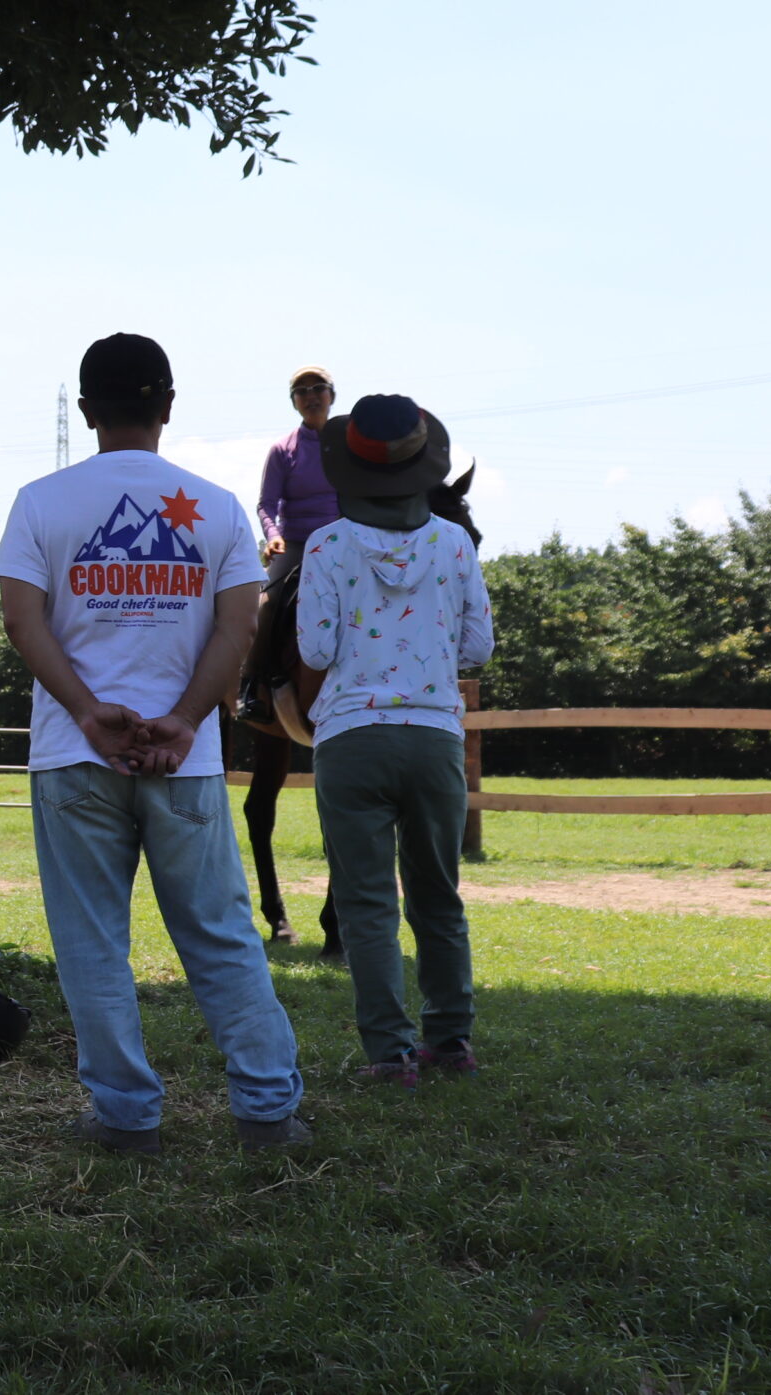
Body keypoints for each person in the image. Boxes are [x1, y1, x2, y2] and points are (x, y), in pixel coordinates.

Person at [0, 333, 309, 1157]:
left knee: (93, 939)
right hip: (188, 762)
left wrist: (92, 714)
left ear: (89, 410)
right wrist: (186, 717)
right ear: (168, 405)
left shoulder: (40, 501)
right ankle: (267, 1110)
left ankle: (126, 1117)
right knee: (221, 935)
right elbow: (240, 626)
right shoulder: (217, 506)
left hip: (73, 757)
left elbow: (22, 620)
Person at [297, 393, 494, 1087]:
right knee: (439, 895)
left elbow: (317, 652)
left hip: (352, 738)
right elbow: (478, 647)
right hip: (435, 737)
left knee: (367, 901)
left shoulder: (325, 545)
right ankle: (452, 1041)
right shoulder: (456, 542)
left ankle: (390, 1053)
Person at [256, 365, 338, 586]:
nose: (310, 395)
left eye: (318, 388)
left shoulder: (348, 444)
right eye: (301, 391)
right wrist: (273, 537)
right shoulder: (282, 449)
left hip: (342, 541)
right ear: (294, 402)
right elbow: (266, 504)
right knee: (269, 605)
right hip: (296, 543)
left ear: (332, 395)